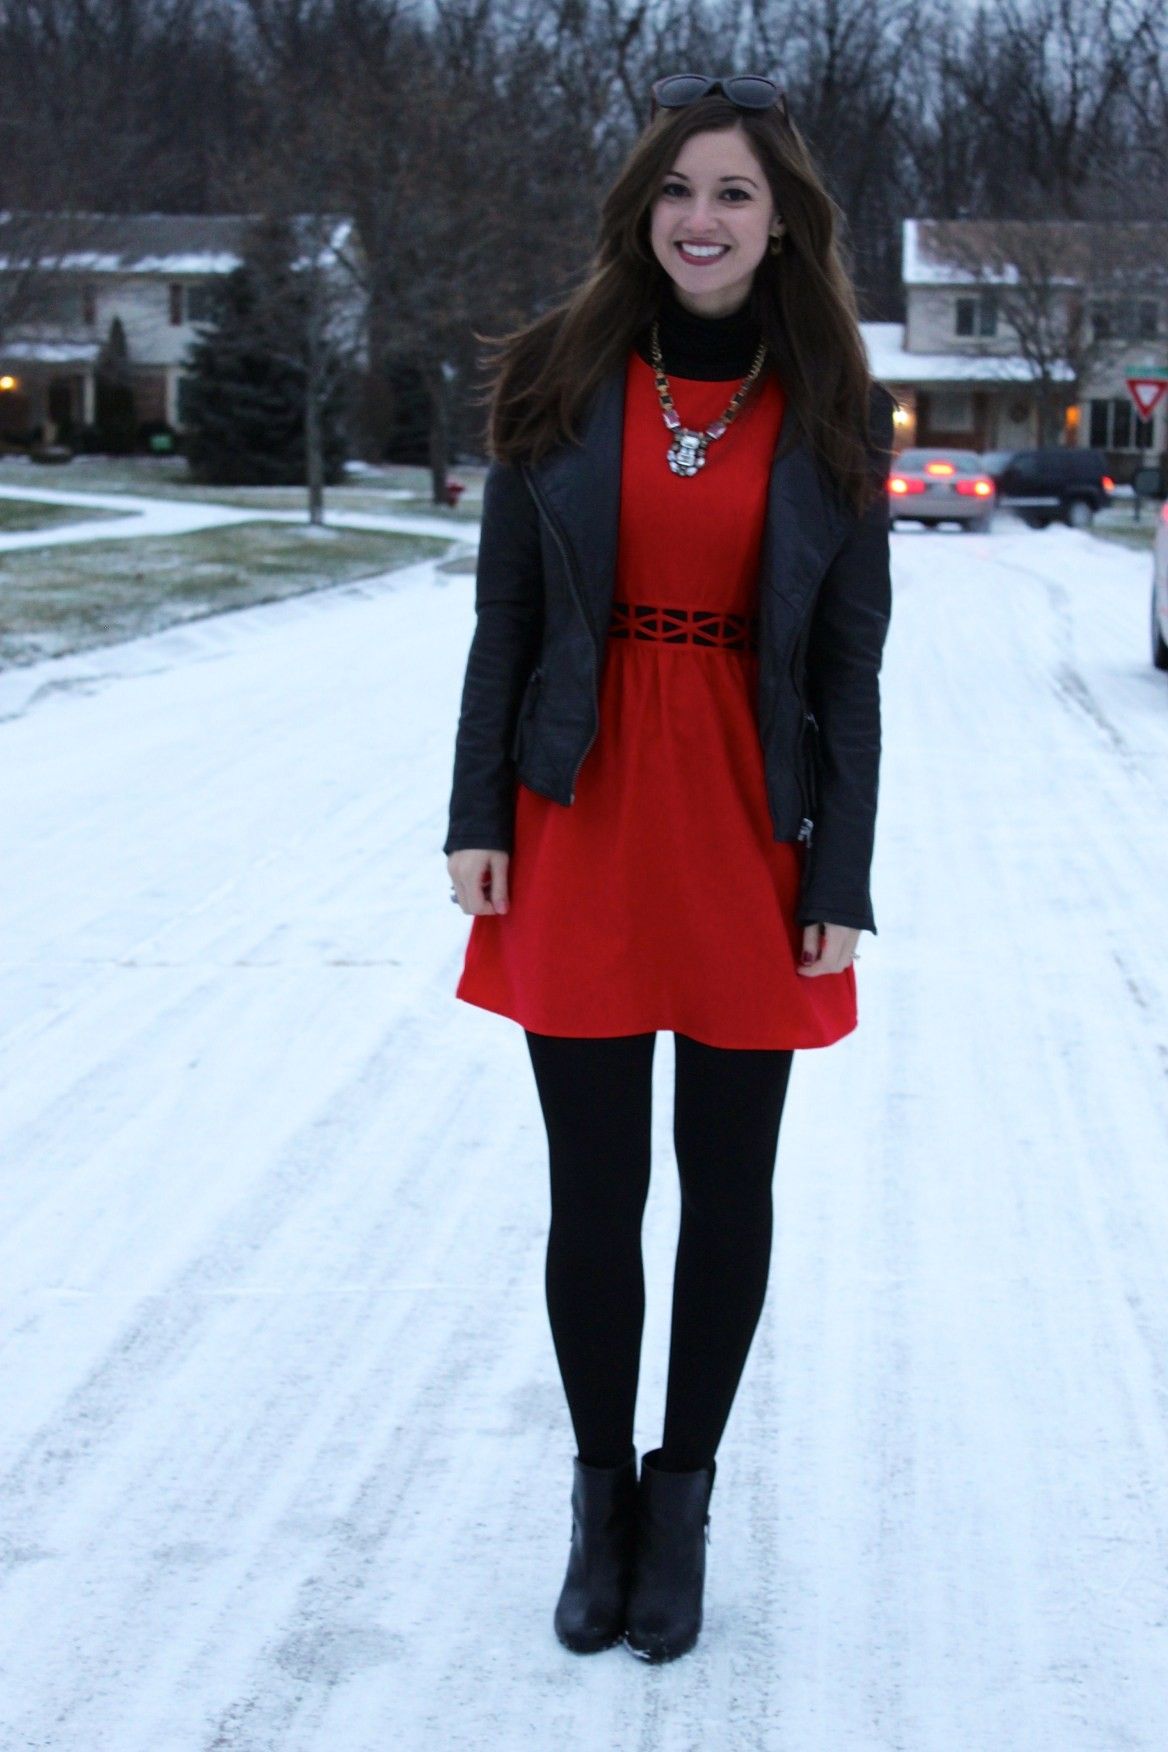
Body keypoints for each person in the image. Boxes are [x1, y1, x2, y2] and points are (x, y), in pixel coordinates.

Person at [443, 71, 894, 1663]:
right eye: (681, 189)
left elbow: (852, 668)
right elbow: (505, 614)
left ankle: (682, 1496)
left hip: (749, 828)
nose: (703, 219)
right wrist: (475, 815)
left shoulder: (831, 403)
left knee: (728, 1187)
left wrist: (840, 873)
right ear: (646, 208)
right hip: (582, 808)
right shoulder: (561, 377)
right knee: (596, 1189)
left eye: (738, 195)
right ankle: (599, 1498)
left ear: (783, 229)